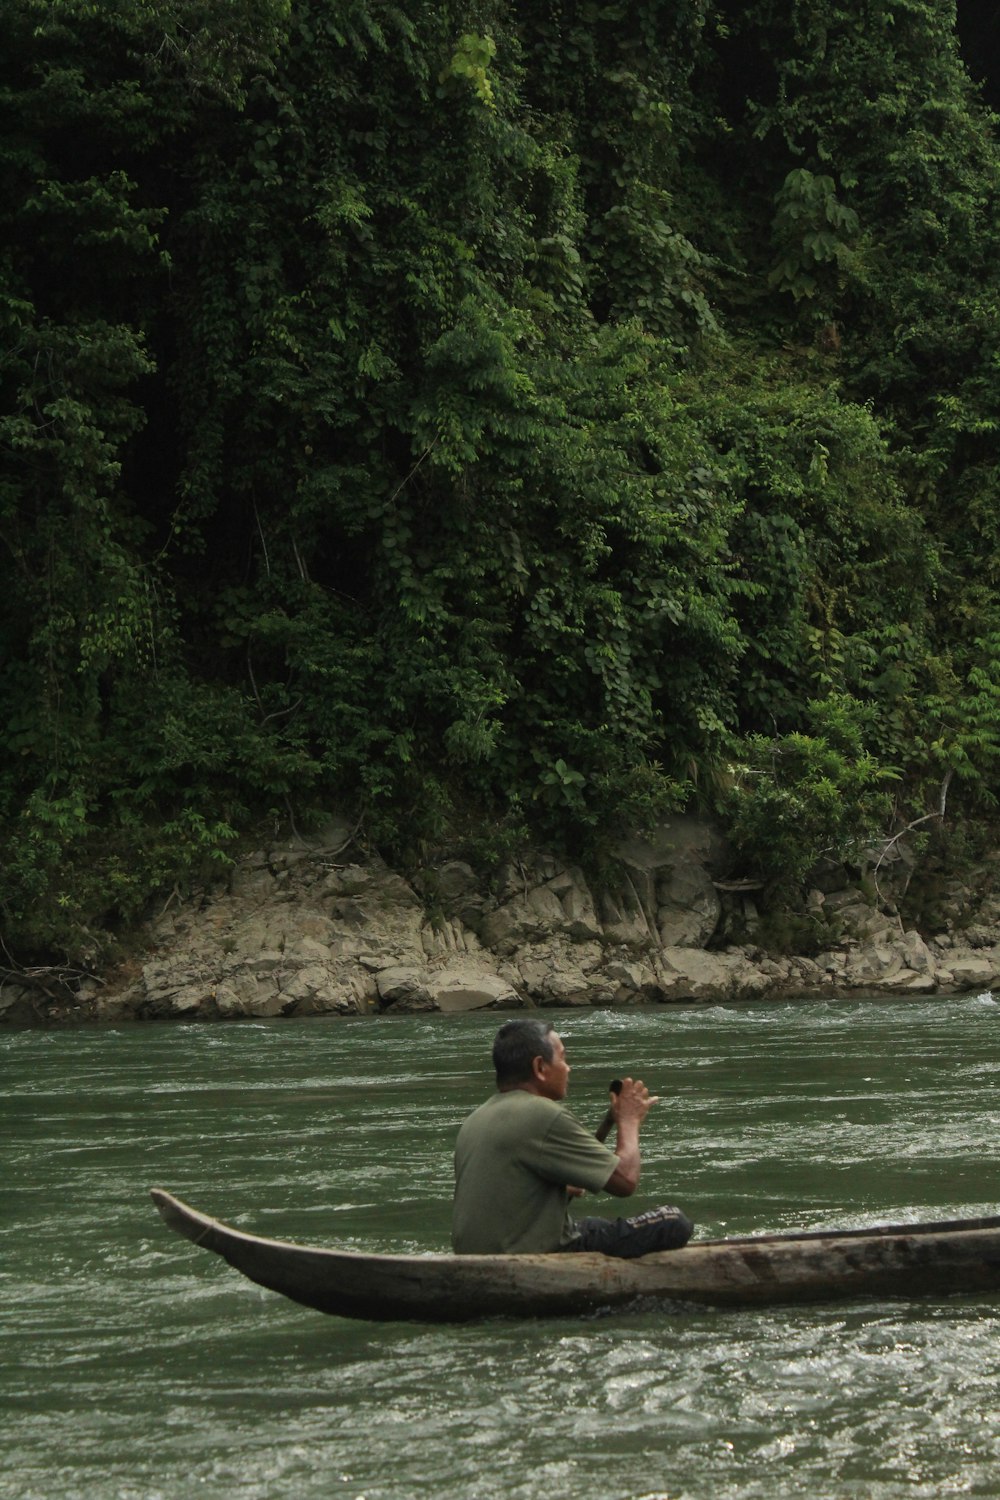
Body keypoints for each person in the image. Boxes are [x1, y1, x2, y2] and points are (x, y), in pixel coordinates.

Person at [452, 1018, 693, 1258]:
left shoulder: (476, 1118)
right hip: (531, 1256)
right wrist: (628, 1121)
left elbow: (505, 1194)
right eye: (563, 1057)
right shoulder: (543, 1115)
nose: (568, 1068)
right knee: (672, 1221)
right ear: (540, 1068)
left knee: (592, 1225)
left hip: (474, 1254)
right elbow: (626, 1181)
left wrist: (561, 1188)